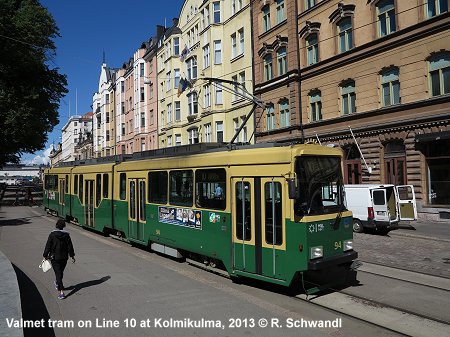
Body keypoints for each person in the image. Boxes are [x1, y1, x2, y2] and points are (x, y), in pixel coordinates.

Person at [43, 219, 75, 299]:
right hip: (64, 257)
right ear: (63, 226)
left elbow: (48, 246)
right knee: (60, 273)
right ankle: (58, 284)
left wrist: (45, 255)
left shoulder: (52, 235)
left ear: (56, 225)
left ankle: (61, 292)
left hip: (54, 258)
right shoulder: (66, 235)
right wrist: (72, 256)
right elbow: (69, 246)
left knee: (58, 274)